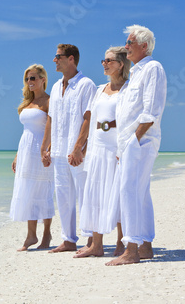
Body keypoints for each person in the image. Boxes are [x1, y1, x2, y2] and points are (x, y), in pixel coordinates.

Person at [106, 25, 167, 266]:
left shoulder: (152, 68)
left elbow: (151, 110)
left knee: (129, 192)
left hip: (140, 141)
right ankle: (146, 247)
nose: (126, 46)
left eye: (130, 42)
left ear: (144, 46)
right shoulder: (136, 72)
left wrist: (134, 140)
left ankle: (131, 249)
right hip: (130, 143)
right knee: (140, 193)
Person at [74, 46, 130, 258]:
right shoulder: (99, 90)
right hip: (98, 147)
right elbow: (90, 119)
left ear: (121, 64)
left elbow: (130, 120)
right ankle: (96, 245)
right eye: (103, 60)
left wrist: (123, 147)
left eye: (109, 60)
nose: (104, 64)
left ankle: (120, 242)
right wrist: (82, 146)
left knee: (117, 194)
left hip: (116, 147)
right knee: (95, 193)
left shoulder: (128, 89)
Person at [41, 44, 96, 253]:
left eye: (58, 56)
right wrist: (45, 148)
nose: (54, 60)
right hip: (58, 152)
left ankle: (90, 238)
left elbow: (88, 118)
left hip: (77, 151)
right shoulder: (55, 87)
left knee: (84, 194)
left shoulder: (86, 85)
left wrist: (78, 148)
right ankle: (68, 239)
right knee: (63, 195)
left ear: (71, 59)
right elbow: (51, 120)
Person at [10, 64, 55, 251]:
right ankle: (31, 235)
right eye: (27, 79)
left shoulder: (49, 101)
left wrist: (48, 149)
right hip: (26, 149)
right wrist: (17, 155)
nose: (30, 82)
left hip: (41, 149)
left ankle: (46, 234)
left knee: (43, 190)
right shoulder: (26, 103)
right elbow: (26, 131)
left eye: (33, 78)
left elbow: (52, 127)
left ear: (43, 79)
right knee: (28, 190)